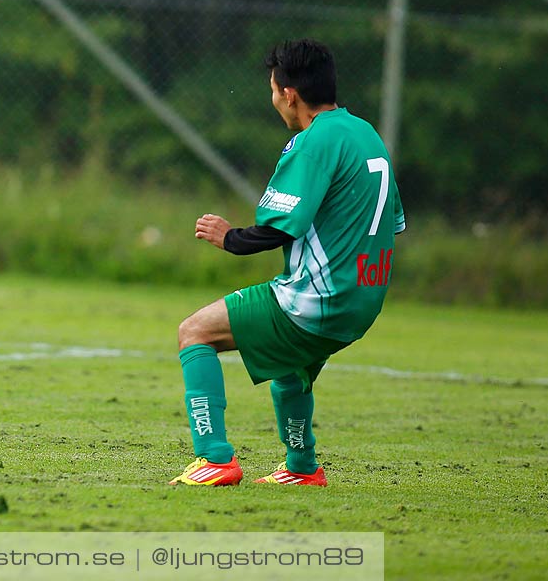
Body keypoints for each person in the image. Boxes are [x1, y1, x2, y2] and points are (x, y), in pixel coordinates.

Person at [170, 38, 405, 486]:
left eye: (273, 88)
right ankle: (301, 468)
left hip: (318, 301)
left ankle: (214, 458)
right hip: (364, 300)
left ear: (288, 93)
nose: (273, 97)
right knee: (290, 369)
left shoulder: (314, 142)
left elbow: (281, 227)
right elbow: (391, 223)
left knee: (194, 333)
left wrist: (229, 237)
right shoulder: (365, 134)